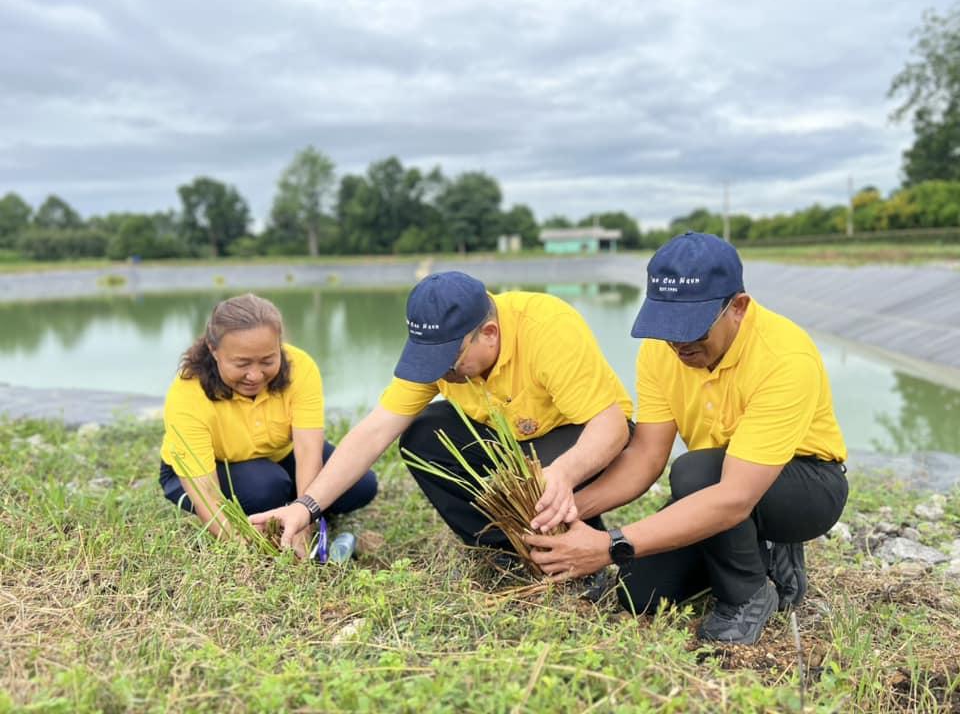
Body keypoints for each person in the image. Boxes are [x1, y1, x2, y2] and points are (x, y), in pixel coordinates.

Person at [524, 232, 848, 645]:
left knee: (695, 471)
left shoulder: (785, 358)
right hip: (720, 480)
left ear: (738, 307)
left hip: (805, 486)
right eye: (668, 327)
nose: (679, 343)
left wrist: (610, 546)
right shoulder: (663, 353)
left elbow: (733, 496)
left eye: (692, 329)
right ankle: (757, 551)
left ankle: (749, 594)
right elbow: (645, 455)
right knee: (637, 594)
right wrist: (566, 511)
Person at [251, 271, 634, 563]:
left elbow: (611, 427)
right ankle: (505, 552)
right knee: (422, 434)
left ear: (489, 333)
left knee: (541, 469)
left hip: (581, 436)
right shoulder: (442, 356)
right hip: (509, 436)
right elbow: (374, 430)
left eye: (450, 362)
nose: (442, 372)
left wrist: (564, 473)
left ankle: (576, 545)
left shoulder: (547, 328)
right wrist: (306, 507)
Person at [159, 293, 377, 551]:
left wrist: (304, 526)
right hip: (211, 470)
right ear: (213, 349)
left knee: (359, 484)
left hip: (278, 456)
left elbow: (308, 450)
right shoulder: (188, 392)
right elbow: (203, 487)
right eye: (241, 363)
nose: (255, 375)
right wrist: (238, 545)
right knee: (268, 488)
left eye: (267, 360)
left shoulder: (301, 367)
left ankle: (283, 512)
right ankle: (274, 510)